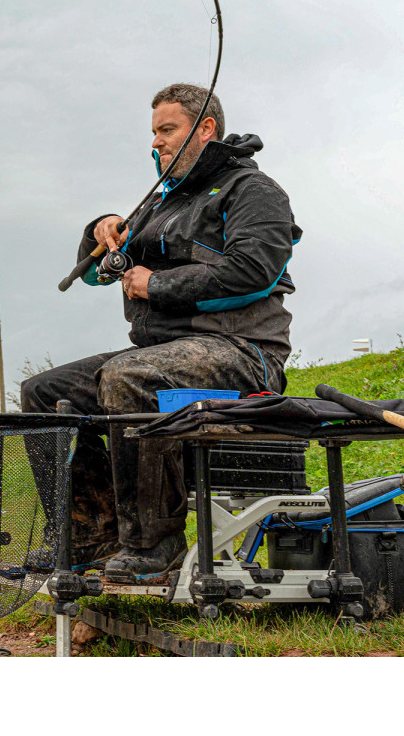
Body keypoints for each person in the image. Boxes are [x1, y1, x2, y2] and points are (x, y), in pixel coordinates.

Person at [21, 83, 301, 581]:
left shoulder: (253, 191)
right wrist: (100, 229)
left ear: (205, 128)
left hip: (243, 354)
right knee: (43, 393)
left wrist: (156, 284)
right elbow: (93, 274)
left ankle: (154, 544)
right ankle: (93, 539)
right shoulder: (159, 203)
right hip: (162, 352)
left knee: (130, 378)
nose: (156, 142)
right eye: (154, 132)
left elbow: (255, 270)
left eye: (167, 130)